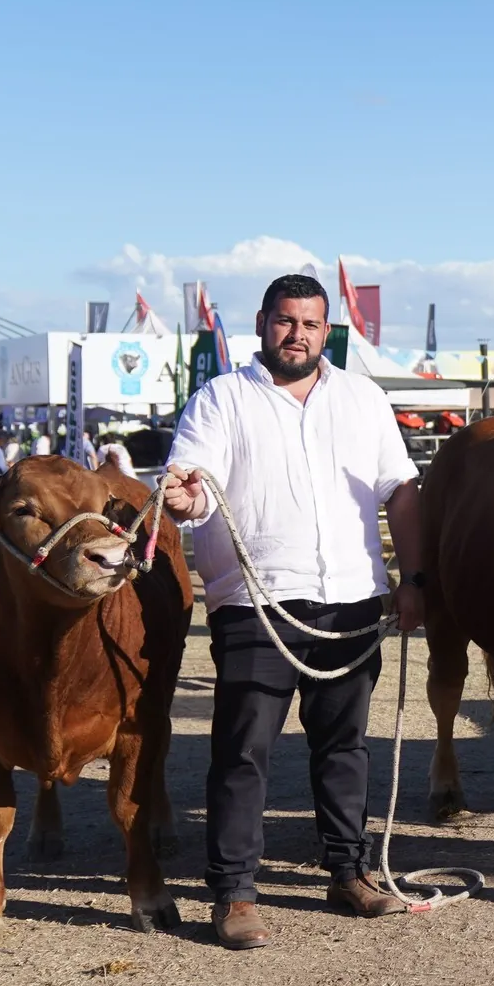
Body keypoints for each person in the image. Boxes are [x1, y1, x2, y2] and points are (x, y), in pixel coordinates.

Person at [160, 273, 425, 951]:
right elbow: (198, 485)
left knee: (344, 746)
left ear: (326, 329)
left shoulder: (364, 400)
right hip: (256, 598)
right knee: (244, 750)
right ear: (262, 323)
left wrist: (416, 578)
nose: (297, 335)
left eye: (310, 324)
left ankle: (349, 873)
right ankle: (235, 893)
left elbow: (401, 490)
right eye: (285, 322)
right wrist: (186, 502)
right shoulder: (221, 399)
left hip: (353, 598)